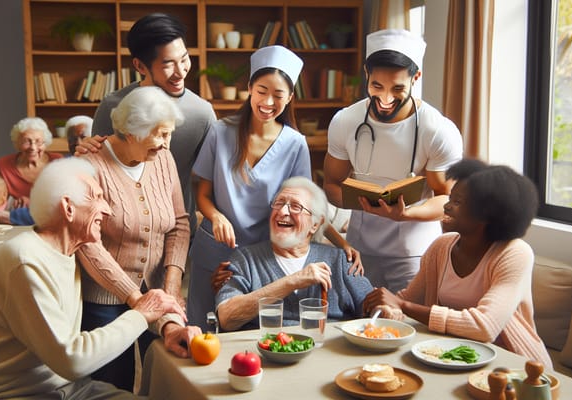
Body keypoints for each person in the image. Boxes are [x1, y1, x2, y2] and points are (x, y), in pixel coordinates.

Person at [0, 157, 186, 399]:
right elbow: (72, 359)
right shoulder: (25, 259)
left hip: (66, 389)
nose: (108, 209)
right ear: (68, 208)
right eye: (97, 197)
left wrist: (168, 323)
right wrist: (141, 314)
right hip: (2, 394)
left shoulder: (71, 251)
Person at [187, 45, 362, 330]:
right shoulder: (220, 132)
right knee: (202, 329)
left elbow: (308, 205)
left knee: (246, 331)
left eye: (278, 95)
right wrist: (216, 216)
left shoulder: (294, 144)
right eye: (262, 90)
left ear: (290, 97)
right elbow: (203, 194)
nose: (268, 101)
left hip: (257, 256)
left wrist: (343, 245)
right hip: (216, 249)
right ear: (249, 89)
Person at [362, 159, 553, 368]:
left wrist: (402, 306)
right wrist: (388, 307)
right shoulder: (441, 247)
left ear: (486, 215)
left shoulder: (514, 254)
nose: (446, 206)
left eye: (458, 202)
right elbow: (407, 300)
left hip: (515, 368)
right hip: (450, 358)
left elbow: (484, 327)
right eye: (450, 198)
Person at [76, 86, 199, 391]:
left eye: (169, 133)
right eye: (160, 135)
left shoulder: (164, 159)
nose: (166, 144)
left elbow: (180, 225)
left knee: (169, 377)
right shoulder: (89, 165)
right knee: (111, 387)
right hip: (105, 299)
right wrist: (136, 297)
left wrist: (170, 288)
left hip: (159, 291)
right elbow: (88, 243)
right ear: (130, 133)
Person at [323, 29, 463, 292]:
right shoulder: (345, 121)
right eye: (377, 86)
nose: (385, 99)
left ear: (416, 77)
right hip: (359, 249)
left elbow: (447, 199)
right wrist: (363, 203)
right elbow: (331, 184)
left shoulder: (438, 130)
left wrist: (405, 214)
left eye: (397, 88)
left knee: (409, 325)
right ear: (367, 75)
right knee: (356, 323)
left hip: (413, 252)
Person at [80, 13, 216, 239]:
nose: (181, 71)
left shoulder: (201, 113)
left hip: (178, 233)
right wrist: (87, 152)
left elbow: (212, 180)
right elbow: (98, 172)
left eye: (184, 59)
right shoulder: (113, 107)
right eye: (168, 64)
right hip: (122, 234)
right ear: (140, 66)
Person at [215, 177, 373, 332]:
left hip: (330, 351)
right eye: (279, 203)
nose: (283, 211)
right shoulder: (245, 260)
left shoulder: (340, 261)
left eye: (296, 207)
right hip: (265, 352)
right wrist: (294, 281)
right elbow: (226, 318)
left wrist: (385, 308)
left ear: (315, 224)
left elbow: (372, 308)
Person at [0, 117, 63, 208]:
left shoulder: (57, 161)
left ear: (45, 143)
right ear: (17, 143)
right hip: (18, 219)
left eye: (38, 142)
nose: (33, 148)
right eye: (26, 141)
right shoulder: (4, 165)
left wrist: (32, 203)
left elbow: (64, 198)